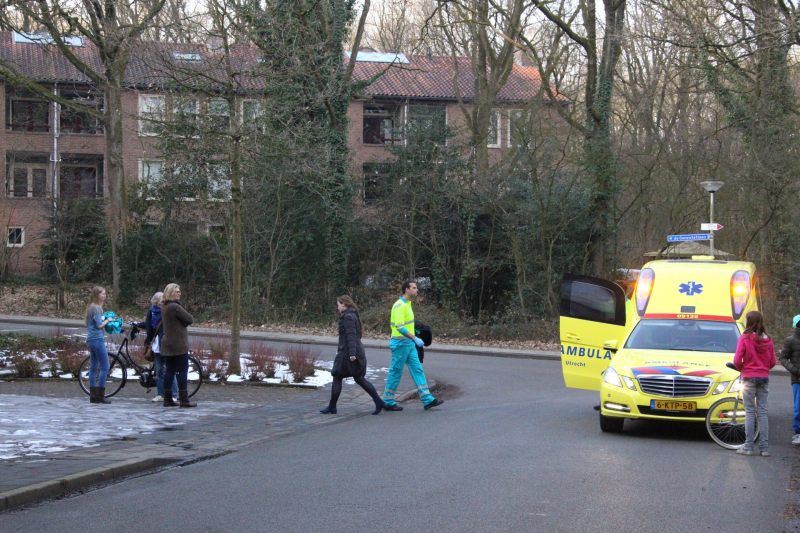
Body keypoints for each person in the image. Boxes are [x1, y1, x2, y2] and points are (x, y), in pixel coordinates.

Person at [382, 280, 443, 411]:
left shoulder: (407, 304)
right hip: (400, 344)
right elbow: (399, 327)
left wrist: (415, 336)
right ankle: (387, 401)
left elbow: (407, 324)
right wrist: (415, 338)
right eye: (414, 288)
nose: (417, 290)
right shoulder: (399, 305)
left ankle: (427, 399)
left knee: (417, 370)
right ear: (407, 290)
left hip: (408, 344)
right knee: (396, 372)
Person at [321, 296, 386, 415]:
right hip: (353, 350)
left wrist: (352, 353)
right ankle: (378, 401)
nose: (337, 307)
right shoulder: (352, 315)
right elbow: (356, 335)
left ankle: (332, 406)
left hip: (348, 352)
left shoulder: (348, 317)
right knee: (358, 378)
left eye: (338, 304)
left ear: (344, 304)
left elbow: (351, 336)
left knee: (338, 376)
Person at [733, 310, 777, 456]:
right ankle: (764, 448)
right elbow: (773, 361)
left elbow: (737, 360)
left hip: (748, 377)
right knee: (762, 412)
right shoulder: (768, 339)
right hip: (763, 378)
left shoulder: (745, 338)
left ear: (749, 321)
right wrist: (763, 369)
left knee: (750, 412)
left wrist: (743, 368)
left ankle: (748, 446)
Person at [160, 283, 196, 408]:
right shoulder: (175, 307)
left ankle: (167, 398)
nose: (179, 293)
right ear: (170, 293)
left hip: (167, 343)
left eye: (179, 291)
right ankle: (184, 399)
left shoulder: (164, 306)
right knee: (182, 370)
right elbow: (189, 319)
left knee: (169, 371)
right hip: (179, 344)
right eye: (177, 291)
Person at [142, 291, 177, 403]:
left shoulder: (167, 311)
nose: (162, 302)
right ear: (156, 302)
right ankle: (160, 394)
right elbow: (149, 326)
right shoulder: (151, 312)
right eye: (160, 300)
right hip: (156, 345)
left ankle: (174, 394)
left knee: (170, 370)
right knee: (158, 371)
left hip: (166, 344)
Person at [85, 286, 112, 404]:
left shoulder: (90, 307)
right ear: (97, 295)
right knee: (105, 366)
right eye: (102, 294)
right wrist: (108, 320)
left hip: (90, 339)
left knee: (93, 368)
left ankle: (93, 396)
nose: (104, 295)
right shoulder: (97, 308)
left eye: (105, 293)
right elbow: (99, 325)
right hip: (97, 339)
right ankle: (101, 395)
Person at [779, 314, 800, 445]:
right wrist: (795, 371)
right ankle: (798, 433)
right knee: (798, 408)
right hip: (797, 379)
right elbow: (782, 358)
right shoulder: (790, 340)